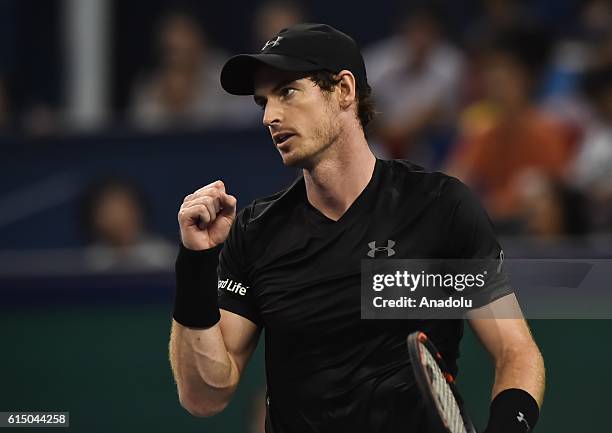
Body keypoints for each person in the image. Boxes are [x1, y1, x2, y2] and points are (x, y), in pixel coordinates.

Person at [169, 24, 545, 433]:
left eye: (288, 92)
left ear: (344, 90)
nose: (269, 116)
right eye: (264, 101)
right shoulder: (255, 233)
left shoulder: (440, 208)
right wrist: (195, 264)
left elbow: (516, 351)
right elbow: (204, 395)